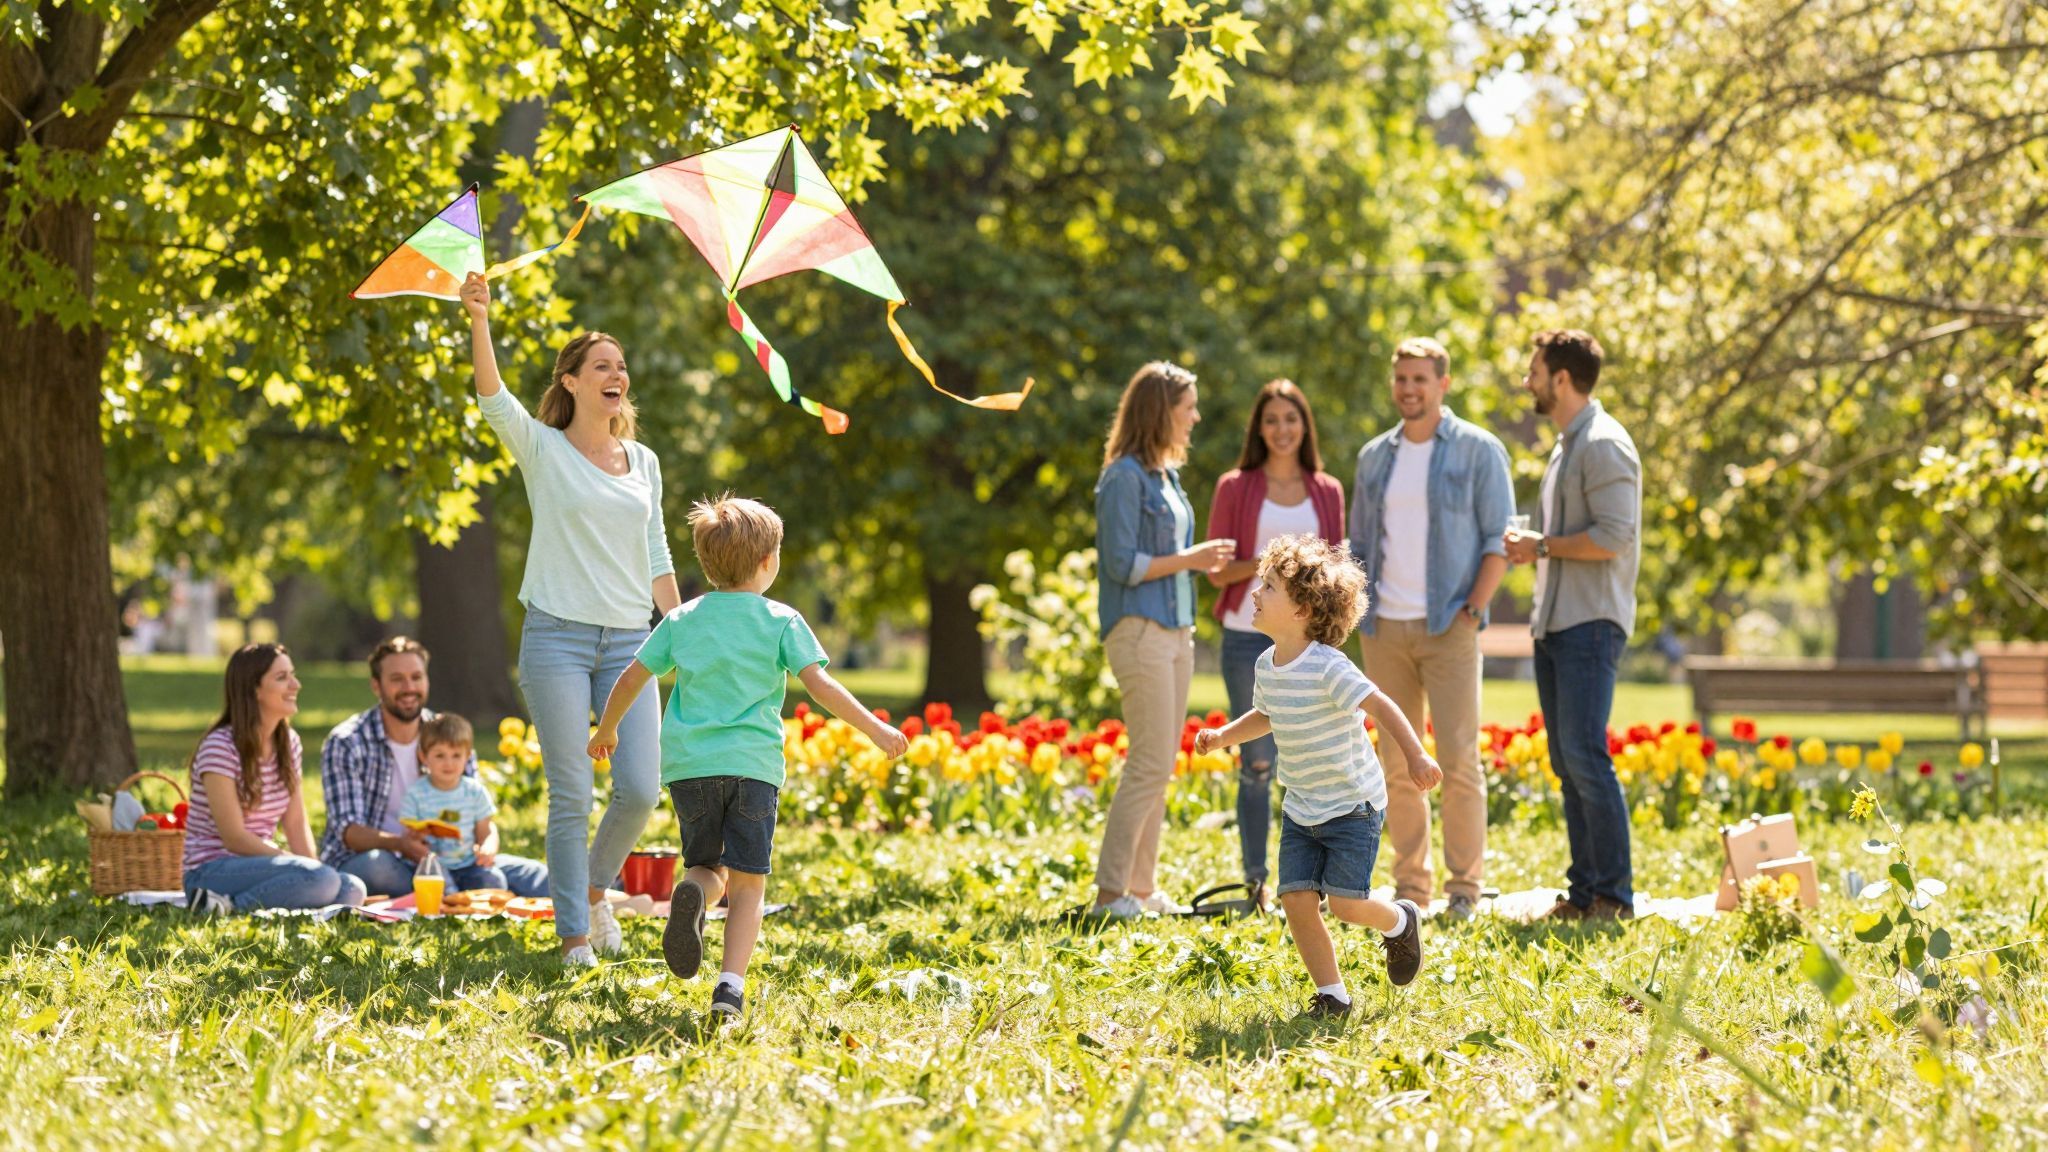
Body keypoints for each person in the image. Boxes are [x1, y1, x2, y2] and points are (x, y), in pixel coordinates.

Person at [589, 495, 908, 1017]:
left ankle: (690, 894)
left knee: (706, 866)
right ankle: (729, 988)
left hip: (691, 769)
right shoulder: (780, 620)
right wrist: (874, 728)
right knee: (749, 884)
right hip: (754, 769)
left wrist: (607, 728)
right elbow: (820, 686)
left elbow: (633, 675)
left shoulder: (683, 619)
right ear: (767, 562)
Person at [462, 271, 679, 966]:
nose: (617, 374)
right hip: (555, 638)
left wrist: (681, 629)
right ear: (574, 382)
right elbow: (493, 399)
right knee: (571, 792)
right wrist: (479, 318)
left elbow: (657, 550)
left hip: (629, 644)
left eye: (621, 366)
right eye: (602, 366)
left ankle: (589, 889)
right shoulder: (544, 450)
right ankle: (574, 937)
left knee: (642, 788)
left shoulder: (642, 460)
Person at [1194, 535, 1441, 1018]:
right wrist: (1224, 736)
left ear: (1302, 609)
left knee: (1348, 906)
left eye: (1268, 586)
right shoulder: (1267, 664)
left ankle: (1399, 920)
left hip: (1352, 806)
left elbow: (1381, 705)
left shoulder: (1329, 667)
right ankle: (1333, 995)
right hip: (1302, 806)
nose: (1255, 593)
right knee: (1297, 901)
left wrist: (1415, 756)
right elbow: (1266, 714)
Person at [1348, 337, 1514, 921]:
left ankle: (1464, 888)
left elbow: (1499, 539)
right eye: (1401, 380)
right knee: (1397, 763)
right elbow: (1360, 545)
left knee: (1460, 759)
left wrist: (1472, 609)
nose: (1409, 390)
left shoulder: (1478, 450)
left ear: (1443, 384)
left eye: (1420, 379)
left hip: (1450, 626)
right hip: (1384, 628)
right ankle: (1412, 890)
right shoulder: (1374, 457)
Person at [1502, 329, 1642, 921]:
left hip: (1590, 624)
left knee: (1586, 755)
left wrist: (1543, 547)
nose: (1528, 381)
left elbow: (1615, 538)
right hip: (1556, 624)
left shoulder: (1604, 444)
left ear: (1562, 378)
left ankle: (1613, 896)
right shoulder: (1567, 446)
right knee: (1566, 759)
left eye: (1535, 370)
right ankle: (1585, 893)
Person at [1089, 362, 1236, 920]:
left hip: (1175, 630)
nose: (1195, 416)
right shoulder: (1123, 477)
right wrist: (1192, 560)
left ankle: (1141, 890)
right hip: (1139, 630)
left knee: (1161, 762)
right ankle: (1109, 895)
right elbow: (1122, 564)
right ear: (1160, 411)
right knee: (1149, 762)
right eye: (1187, 406)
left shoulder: (1167, 477)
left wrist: (1197, 563)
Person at [1205, 379, 1346, 908]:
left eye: (1291, 418)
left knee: (1320, 759)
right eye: (1271, 419)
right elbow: (1220, 574)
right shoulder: (1235, 487)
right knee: (1258, 763)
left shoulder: (1326, 490)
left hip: (1313, 647)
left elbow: (1335, 574)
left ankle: (1324, 881)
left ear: (1304, 425)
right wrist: (1275, 566)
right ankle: (1255, 880)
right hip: (1248, 639)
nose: (1282, 428)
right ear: (1258, 429)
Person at [319, 636, 547, 898]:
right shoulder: (348, 741)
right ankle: (457, 893)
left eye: (416, 677)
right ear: (376, 686)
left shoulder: (449, 737)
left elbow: (479, 816)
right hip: (378, 859)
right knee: (380, 867)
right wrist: (401, 845)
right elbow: (350, 833)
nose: (409, 687)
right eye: (397, 679)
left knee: (528, 873)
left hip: (453, 858)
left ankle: (597, 893)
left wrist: (486, 847)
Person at [183, 644, 367, 914]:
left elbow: (295, 823)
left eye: (292, 674)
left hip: (262, 864)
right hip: (211, 871)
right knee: (322, 880)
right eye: (282, 678)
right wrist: (303, 868)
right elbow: (234, 838)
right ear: (254, 689)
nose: (296, 684)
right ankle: (226, 908)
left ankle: (252, 907)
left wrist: (314, 867)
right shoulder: (219, 747)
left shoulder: (289, 743)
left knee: (351, 887)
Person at [398, 714, 509, 891]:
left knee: (495, 881)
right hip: (432, 868)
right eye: (440, 755)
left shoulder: (474, 791)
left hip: (469, 865)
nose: (448, 763)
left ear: (467, 757)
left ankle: (460, 900)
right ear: (423, 756)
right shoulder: (416, 793)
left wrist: (488, 847)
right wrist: (418, 836)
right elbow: (409, 838)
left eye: (456, 755)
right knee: (436, 886)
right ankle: (449, 901)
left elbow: (486, 830)